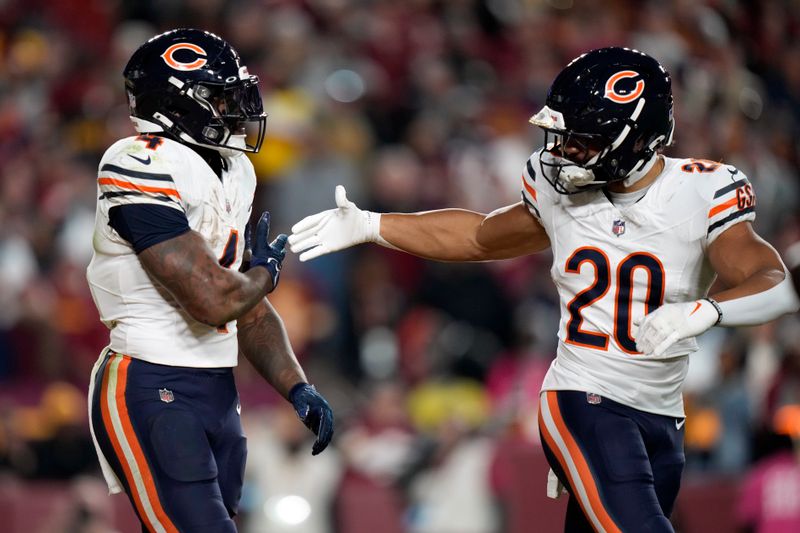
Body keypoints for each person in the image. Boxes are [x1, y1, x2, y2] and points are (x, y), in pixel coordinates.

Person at [288, 47, 799, 532]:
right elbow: (480, 235)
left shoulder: (701, 190)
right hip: (583, 397)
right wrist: (376, 225)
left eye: (585, 138)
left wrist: (704, 313)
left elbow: (774, 285)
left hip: (663, 413)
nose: (565, 150)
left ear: (638, 138)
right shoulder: (556, 188)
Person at [86, 29, 334, 533]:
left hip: (217, 389)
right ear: (175, 104)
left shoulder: (234, 170)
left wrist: (296, 386)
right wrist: (263, 275)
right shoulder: (137, 159)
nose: (233, 107)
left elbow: (246, 304)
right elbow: (212, 299)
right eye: (217, 97)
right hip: (151, 379)